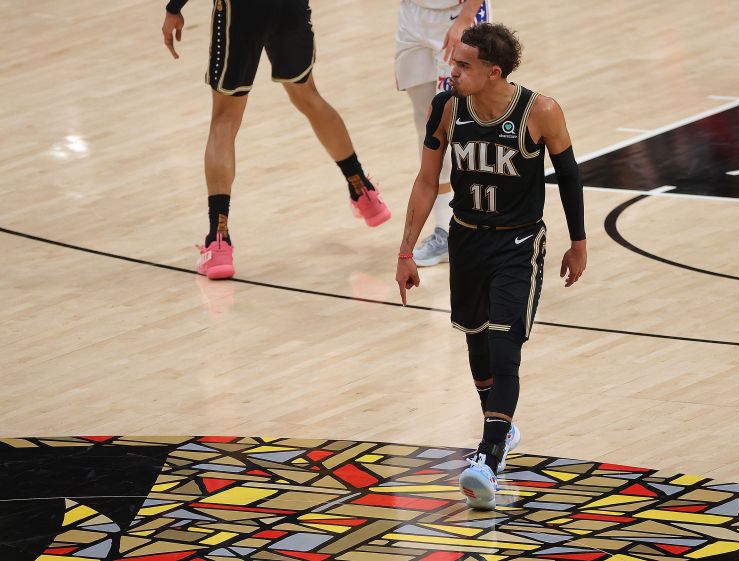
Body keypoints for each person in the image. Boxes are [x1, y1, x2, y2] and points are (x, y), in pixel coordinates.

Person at [395, 23, 587, 510]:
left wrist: (578, 242)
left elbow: (569, 177)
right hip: (466, 239)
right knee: (477, 344)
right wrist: (405, 251)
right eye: (453, 63)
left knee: (505, 343)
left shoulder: (540, 111)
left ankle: (489, 453)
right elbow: (425, 180)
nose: (451, 71)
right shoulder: (447, 109)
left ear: (492, 71)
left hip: (518, 243)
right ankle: (500, 427)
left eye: (462, 65)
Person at [161, 0, 390, 280]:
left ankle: (218, 239)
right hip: (289, 7)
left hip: (241, 11)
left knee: (224, 119)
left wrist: (174, 8)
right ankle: (362, 189)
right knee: (308, 94)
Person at [395, 0, 491, 266]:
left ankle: (486, 219)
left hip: (455, 16)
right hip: (412, 15)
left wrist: (466, 17)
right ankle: (445, 230)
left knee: (462, 119)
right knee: (426, 123)